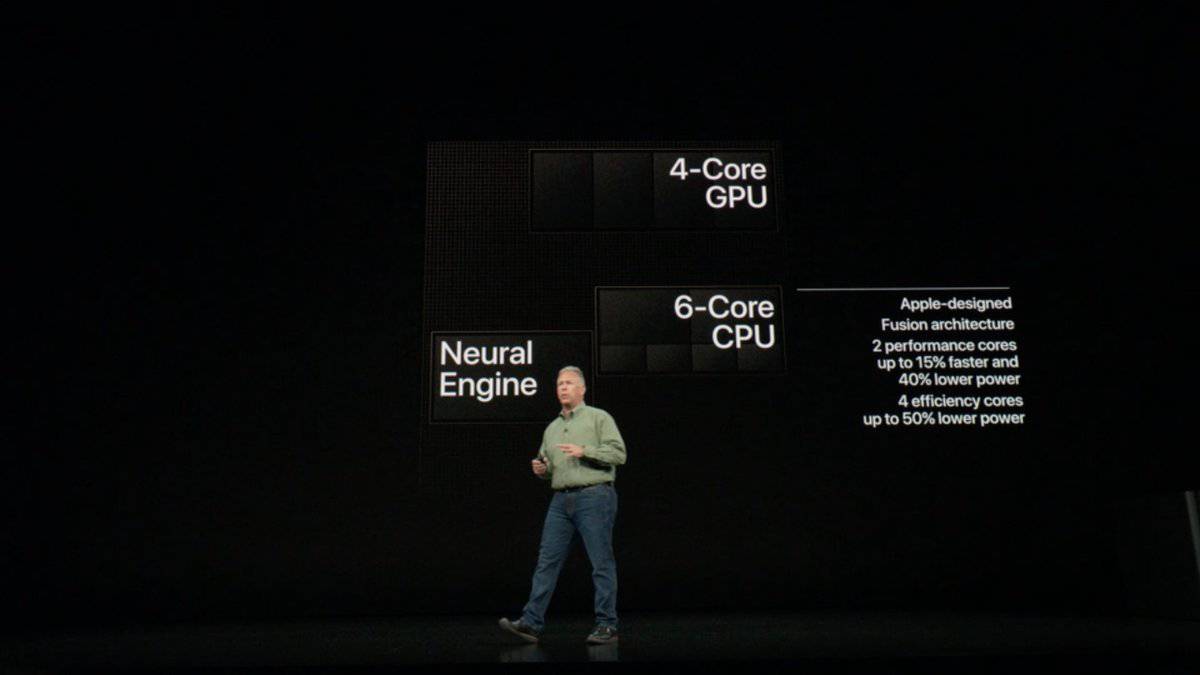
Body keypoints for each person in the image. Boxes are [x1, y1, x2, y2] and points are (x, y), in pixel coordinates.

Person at [499, 365, 626, 645]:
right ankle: (530, 623)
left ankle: (607, 625)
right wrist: (542, 469)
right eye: (559, 384)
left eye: (569, 383)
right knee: (547, 562)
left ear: (582, 389)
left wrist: (585, 451)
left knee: (601, 562)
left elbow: (619, 454)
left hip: (594, 496)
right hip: (560, 501)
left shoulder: (599, 418)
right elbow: (549, 467)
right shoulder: (552, 429)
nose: (563, 388)